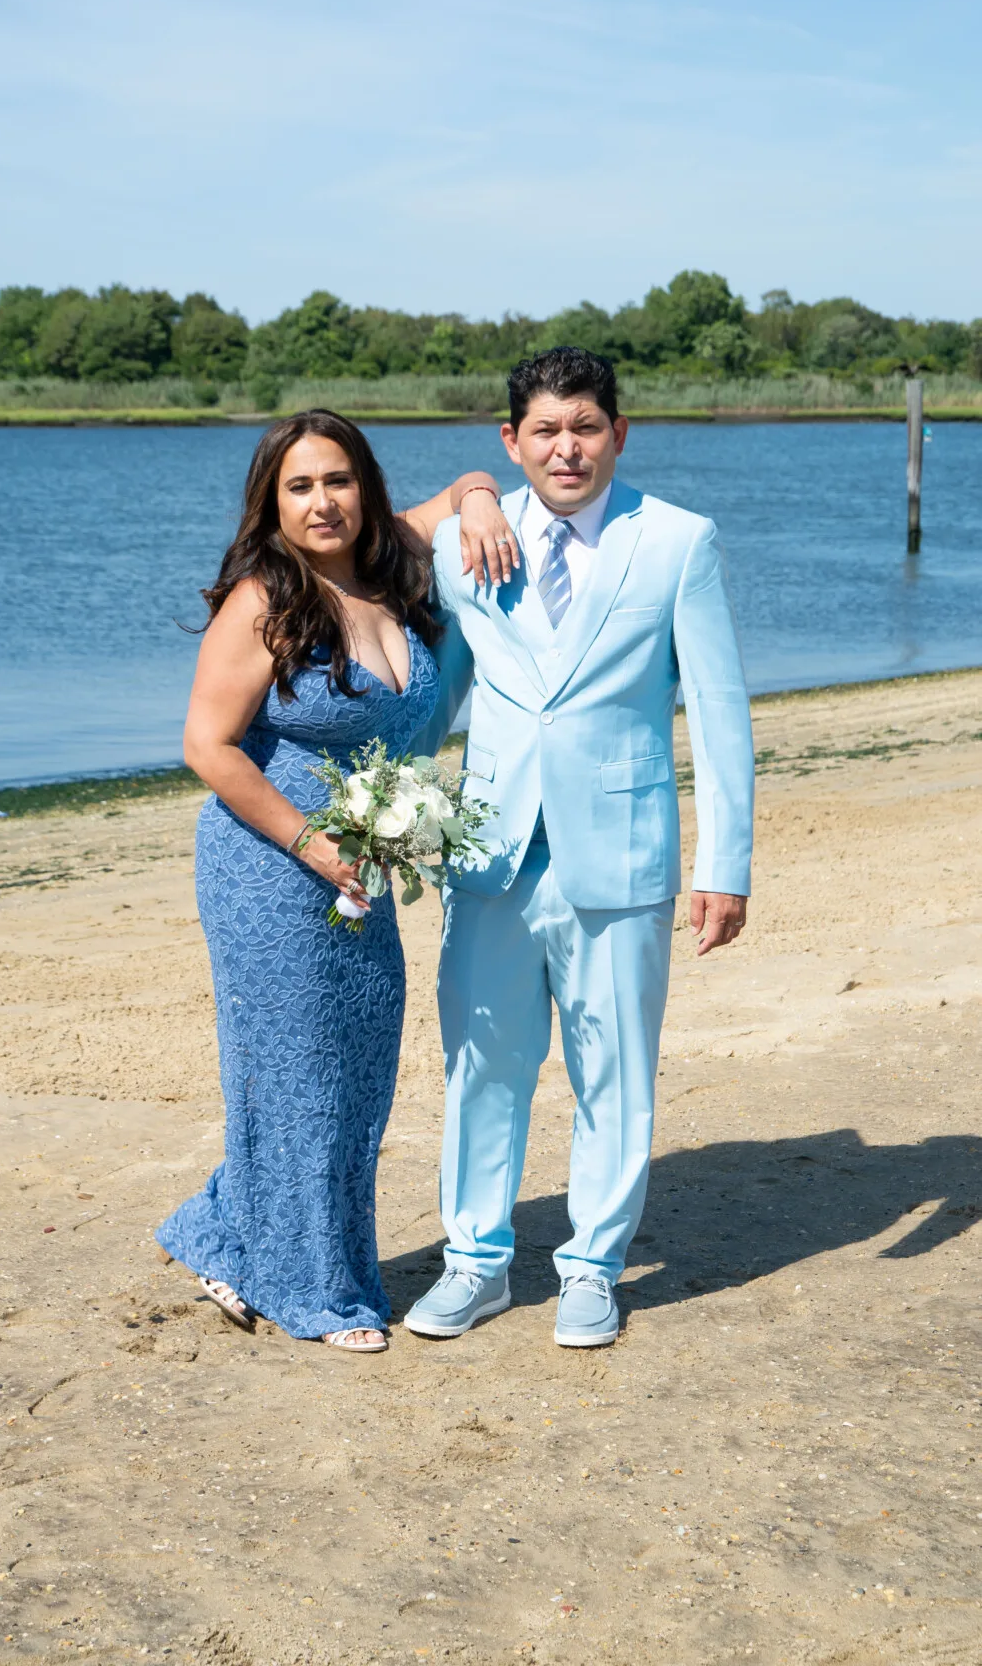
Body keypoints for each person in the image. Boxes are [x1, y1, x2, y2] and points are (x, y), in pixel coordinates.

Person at [405, 347, 755, 1347]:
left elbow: (720, 714)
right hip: (491, 856)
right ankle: (474, 1264)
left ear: (619, 433)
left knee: (614, 1072)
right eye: (546, 430)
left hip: (624, 856)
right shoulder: (464, 547)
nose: (568, 448)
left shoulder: (679, 542)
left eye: (586, 427)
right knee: (482, 1065)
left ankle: (592, 1268)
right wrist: (370, 806)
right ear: (511, 442)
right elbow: (435, 699)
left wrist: (723, 864)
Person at [155, 410, 504, 1352]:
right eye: (300, 486)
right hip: (270, 863)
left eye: (338, 480)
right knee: (298, 1071)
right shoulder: (265, 596)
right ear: (272, 502)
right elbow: (206, 745)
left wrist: (477, 496)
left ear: (365, 487)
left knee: (353, 1069)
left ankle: (226, 1234)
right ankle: (317, 1291)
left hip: (361, 866)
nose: (322, 502)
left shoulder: (388, 561)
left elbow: (473, 481)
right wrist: (312, 845)